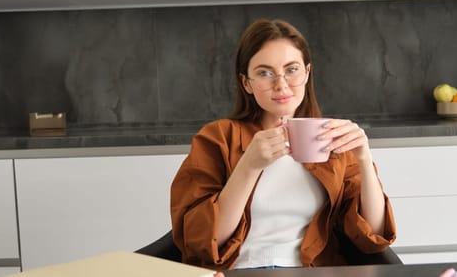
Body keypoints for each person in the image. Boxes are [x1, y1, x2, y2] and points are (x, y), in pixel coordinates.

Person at [170, 18, 397, 270]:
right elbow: (200, 242)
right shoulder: (218, 137)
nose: (281, 84)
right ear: (246, 83)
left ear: (307, 72)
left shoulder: (332, 140)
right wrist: (249, 166)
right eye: (264, 73)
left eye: (291, 69)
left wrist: (364, 159)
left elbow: (373, 238)